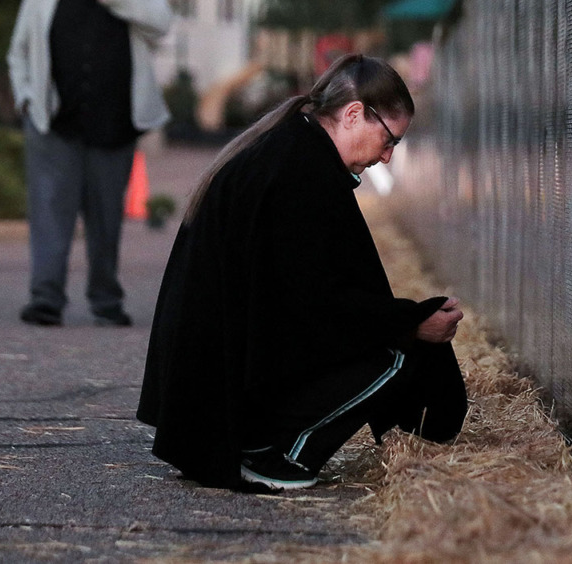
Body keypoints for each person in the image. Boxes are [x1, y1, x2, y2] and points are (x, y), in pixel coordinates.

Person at [137, 54, 467, 491]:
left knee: (387, 342)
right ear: (353, 115)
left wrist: (404, 318)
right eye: (389, 140)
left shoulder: (290, 147)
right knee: (392, 359)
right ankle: (273, 455)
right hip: (227, 404)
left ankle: (261, 443)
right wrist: (410, 324)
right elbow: (314, 308)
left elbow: (304, 294)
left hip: (211, 395)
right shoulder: (299, 170)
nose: (387, 157)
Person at [7, 0, 172, 327]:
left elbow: (161, 23)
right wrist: (27, 98)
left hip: (115, 123)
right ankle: (45, 298)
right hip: (53, 123)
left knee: (106, 218)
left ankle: (105, 300)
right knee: (49, 211)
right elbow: (19, 52)